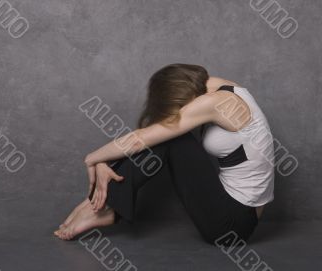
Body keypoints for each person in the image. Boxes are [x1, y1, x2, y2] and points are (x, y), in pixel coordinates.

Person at [54, 63, 274, 244]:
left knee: (173, 139)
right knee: (167, 136)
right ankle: (103, 204)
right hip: (235, 210)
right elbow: (152, 134)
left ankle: (104, 208)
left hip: (232, 226)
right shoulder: (221, 86)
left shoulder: (214, 103)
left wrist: (92, 158)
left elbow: (142, 139)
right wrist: (104, 161)